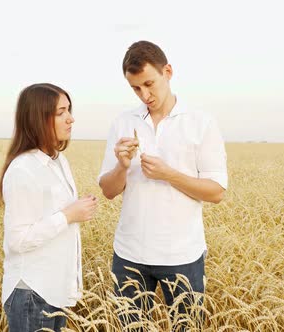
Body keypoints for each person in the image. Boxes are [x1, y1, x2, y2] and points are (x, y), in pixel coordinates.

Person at [98, 41, 228, 330]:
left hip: (182, 255)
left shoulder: (200, 123)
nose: (145, 95)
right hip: (129, 254)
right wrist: (121, 165)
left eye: (149, 83)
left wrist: (170, 174)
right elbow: (108, 191)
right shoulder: (123, 122)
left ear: (167, 72)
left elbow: (217, 192)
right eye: (135, 88)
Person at [0, 83, 98, 332]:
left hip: (54, 290)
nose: (71, 119)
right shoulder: (23, 169)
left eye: (69, 110)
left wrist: (75, 210)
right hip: (32, 293)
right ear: (39, 118)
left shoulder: (58, 161)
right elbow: (17, 240)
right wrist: (68, 215)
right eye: (61, 112)